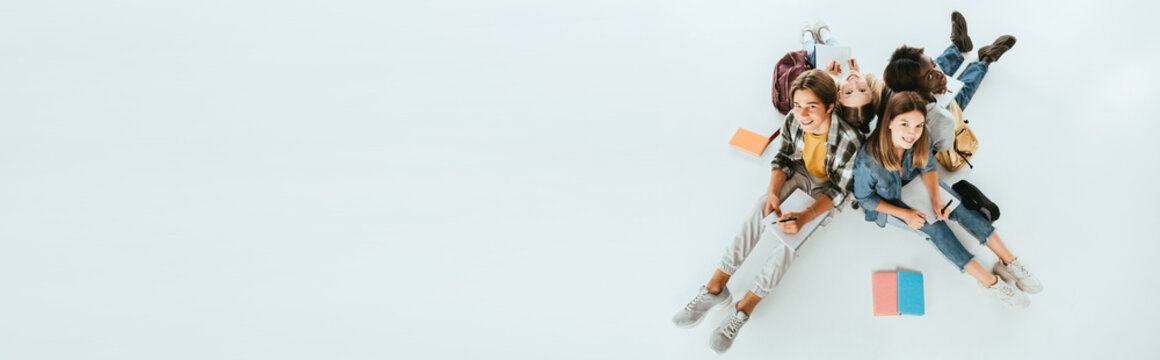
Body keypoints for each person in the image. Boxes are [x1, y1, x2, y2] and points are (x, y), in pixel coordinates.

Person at [673, 69, 863, 353]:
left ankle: (744, 308)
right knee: (758, 209)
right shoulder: (793, 120)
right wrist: (774, 192)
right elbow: (784, 156)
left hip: (826, 191)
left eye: (812, 106)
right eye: (798, 105)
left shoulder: (850, 140)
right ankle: (716, 287)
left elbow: (839, 191)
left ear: (830, 106)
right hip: (799, 175)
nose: (802, 113)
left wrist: (806, 216)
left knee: (788, 245)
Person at [852, 92, 1042, 309]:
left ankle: (1010, 262)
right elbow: (865, 199)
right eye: (904, 124)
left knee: (960, 208)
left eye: (918, 125)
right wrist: (905, 214)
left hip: (918, 183)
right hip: (891, 202)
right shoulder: (868, 160)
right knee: (936, 230)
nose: (911, 133)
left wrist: (935, 198)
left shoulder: (921, 136)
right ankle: (990, 283)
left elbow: (928, 166)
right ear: (889, 122)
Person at [881, 11, 1016, 152]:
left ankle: (958, 45)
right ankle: (986, 60)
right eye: (930, 77)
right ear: (916, 92)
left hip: (922, 92)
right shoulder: (941, 119)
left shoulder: (894, 85)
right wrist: (931, 96)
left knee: (932, 67)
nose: (938, 73)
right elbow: (943, 146)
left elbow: (928, 73)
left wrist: (930, 85)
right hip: (939, 108)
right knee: (964, 90)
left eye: (932, 63)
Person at [800, 20, 883, 135]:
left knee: (810, 53)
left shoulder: (827, 97)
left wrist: (828, 77)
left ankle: (807, 37)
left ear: (838, 96)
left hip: (819, 75)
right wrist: (855, 71)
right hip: (838, 70)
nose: (853, 81)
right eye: (862, 90)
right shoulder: (857, 79)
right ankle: (825, 34)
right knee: (838, 48)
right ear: (870, 89)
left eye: (848, 92)